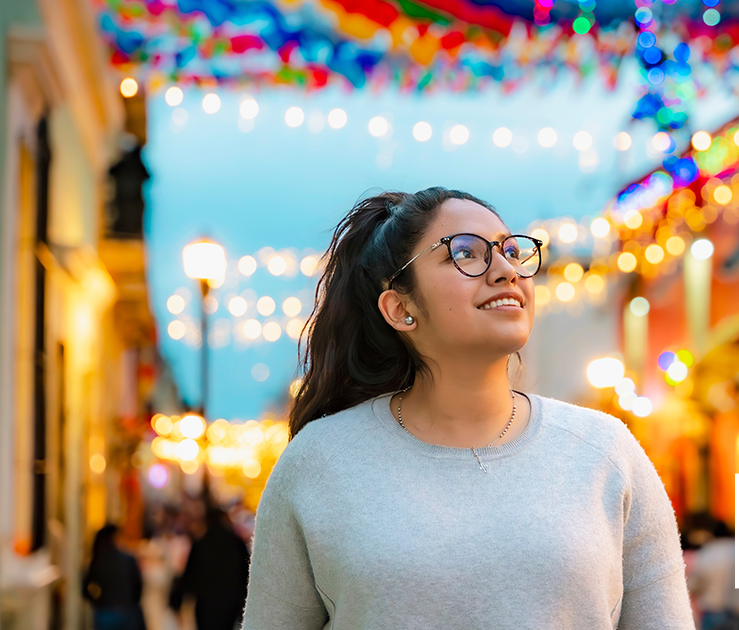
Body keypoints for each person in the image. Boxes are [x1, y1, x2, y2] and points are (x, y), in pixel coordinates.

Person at [241, 187, 693, 629]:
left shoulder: (605, 452)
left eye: (511, 251)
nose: (505, 270)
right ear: (400, 308)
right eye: (466, 253)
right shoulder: (319, 462)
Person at [172, 505, 250, 630]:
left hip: (206, 604)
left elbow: (191, 573)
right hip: (230, 603)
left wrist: (176, 599)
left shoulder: (202, 543)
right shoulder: (235, 542)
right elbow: (246, 573)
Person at [84, 523, 146, 630]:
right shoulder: (128, 560)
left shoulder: (98, 562)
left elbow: (85, 589)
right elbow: (138, 588)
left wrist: (99, 601)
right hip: (126, 613)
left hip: (104, 614)